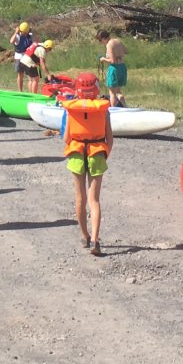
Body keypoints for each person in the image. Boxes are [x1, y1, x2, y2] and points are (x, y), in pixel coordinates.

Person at [63, 94, 112, 256]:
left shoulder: (72, 109)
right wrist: (104, 155)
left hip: (77, 154)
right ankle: (95, 240)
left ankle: (85, 236)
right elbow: (109, 139)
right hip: (97, 154)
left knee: (80, 198)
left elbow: (66, 137)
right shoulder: (103, 109)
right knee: (94, 200)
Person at [98, 30, 128, 106]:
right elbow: (126, 51)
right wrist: (118, 54)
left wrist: (103, 59)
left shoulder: (109, 44)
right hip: (122, 67)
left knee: (112, 93)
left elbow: (112, 61)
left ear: (104, 38)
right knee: (118, 91)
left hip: (114, 68)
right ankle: (125, 107)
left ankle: (113, 109)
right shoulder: (118, 41)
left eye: (100, 40)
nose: (101, 43)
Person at [12, 22, 36, 90]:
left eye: (26, 32)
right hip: (19, 57)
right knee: (20, 75)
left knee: (30, 76)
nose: (25, 34)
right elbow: (11, 41)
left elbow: (36, 41)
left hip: (27, 57)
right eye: (23, 32)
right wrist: (15, 32)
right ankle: (20, 91)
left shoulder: (30, 35)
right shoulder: (17, 36)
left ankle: (30, 92)